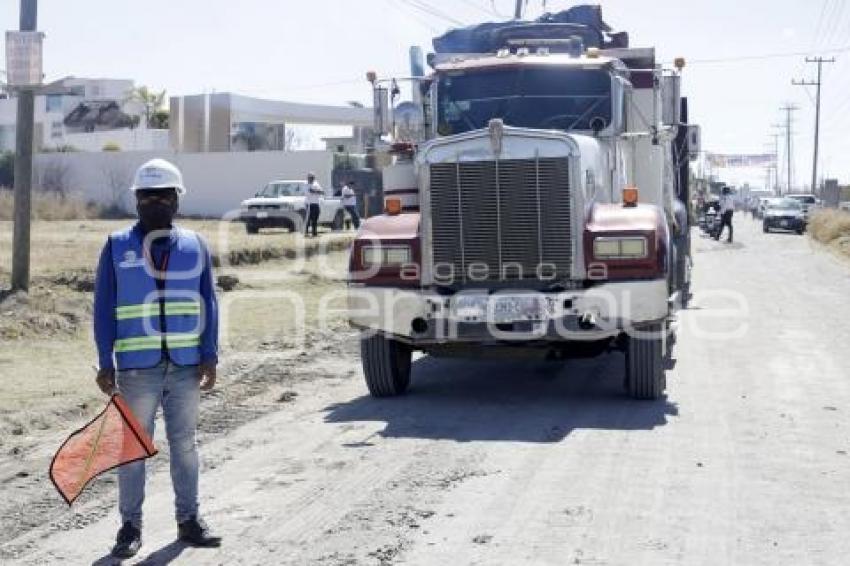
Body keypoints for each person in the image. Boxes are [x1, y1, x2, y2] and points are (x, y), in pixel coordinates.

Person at [93, 158, 221, 559]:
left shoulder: (195, 245)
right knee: (132, 450)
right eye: (148, 196)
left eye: (163, 195)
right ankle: (130, 527)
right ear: (136, 200)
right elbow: (103, 307)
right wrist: (104, 361)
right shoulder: (116, 246)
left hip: (185, 365)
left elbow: (209, 302)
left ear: (176, 200)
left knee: (184, 446)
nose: (155, 202)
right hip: (136, 369)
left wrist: (209, 353)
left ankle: (189, 521)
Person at [305, 172, 323, 237]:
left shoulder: (316, 183)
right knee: (308, 219)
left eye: (312, 177)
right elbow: (310, 191)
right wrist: (317, 191)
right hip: (309, 204)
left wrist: (315, 191)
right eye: (310, 177)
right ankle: (305, 232)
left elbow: (322, 192)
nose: (311, 179)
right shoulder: (306, 184)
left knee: (315, 218)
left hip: (316, 203)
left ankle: (314, 233)